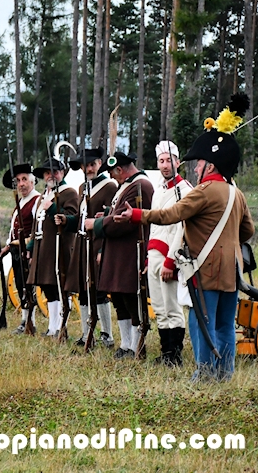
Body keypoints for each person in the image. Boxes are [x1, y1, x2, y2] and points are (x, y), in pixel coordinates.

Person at [115, 93, 255, 381]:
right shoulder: (236, 193)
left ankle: (204, 374)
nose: (196, 167)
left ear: (212, 166)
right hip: (232, 268)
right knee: (225, 324)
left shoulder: (204, 191)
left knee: (202, 322)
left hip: (207, 269)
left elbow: (170, 215)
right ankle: (224, 373)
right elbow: (247, 231)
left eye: (201, 163)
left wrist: (138, 215)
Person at [88, 151, 154, 359]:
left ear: (120, 170)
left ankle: (136, 345)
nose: (112, 177)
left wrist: (97, 224)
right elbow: (118, 213)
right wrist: (107, 213)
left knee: (131, 298)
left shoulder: (141, 185)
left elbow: (126, 220)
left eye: (113, 173)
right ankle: (126, 343)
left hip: (129, 251)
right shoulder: (127, 185)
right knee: (119, 297)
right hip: (118, 251)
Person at [62, 147, 117, 348]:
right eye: (86, 166)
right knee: (84, 291)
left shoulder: (109, 187)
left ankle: (107, 334)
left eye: (92, 165)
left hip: (98, 243)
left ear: (99, 164)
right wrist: (67, 221)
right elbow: (80, 218)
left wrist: (103, 249)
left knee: (99, 291)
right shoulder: (82, 188)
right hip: (82, 244)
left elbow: (109, 218)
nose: (89, 169)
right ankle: (87, 334)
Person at [147, 141, 194, 366]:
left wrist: (170, 260)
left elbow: (181, 228)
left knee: (172, 306)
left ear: (178, 162)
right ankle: (166, 352)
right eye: (161, 161)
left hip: (169, 258)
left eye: (169, 161)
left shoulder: (185, 190)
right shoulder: (159, 190)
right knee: (159, 307)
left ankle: (175, 355)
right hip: (154, 253)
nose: (165, 166)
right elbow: (155, 225)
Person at [26, 157, 79, 338]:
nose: (51, 175)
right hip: (43, 247)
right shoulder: (43, 195)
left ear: (62, 173)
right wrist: (31, 247)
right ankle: (52, 326)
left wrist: (53, 207)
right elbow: (36, 225)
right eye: (48, 172)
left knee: (58, 287)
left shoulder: (69, 192)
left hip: (58, 247)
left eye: (54, 172)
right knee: (48, 288)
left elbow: (72, 219)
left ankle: (59, 327)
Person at [0, 164, 41, 334]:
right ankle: (25, 320)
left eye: (24, 180)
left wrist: (31, 249)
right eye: (18, 181)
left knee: (28, 286)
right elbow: (14, 230)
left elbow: (37, 228)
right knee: (20, 284)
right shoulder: (20, 203)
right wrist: (7, 246)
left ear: (32, 181)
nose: (21, 184)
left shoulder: (37, 200)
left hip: (29, 251)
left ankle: (30, 321)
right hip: (17, 251)